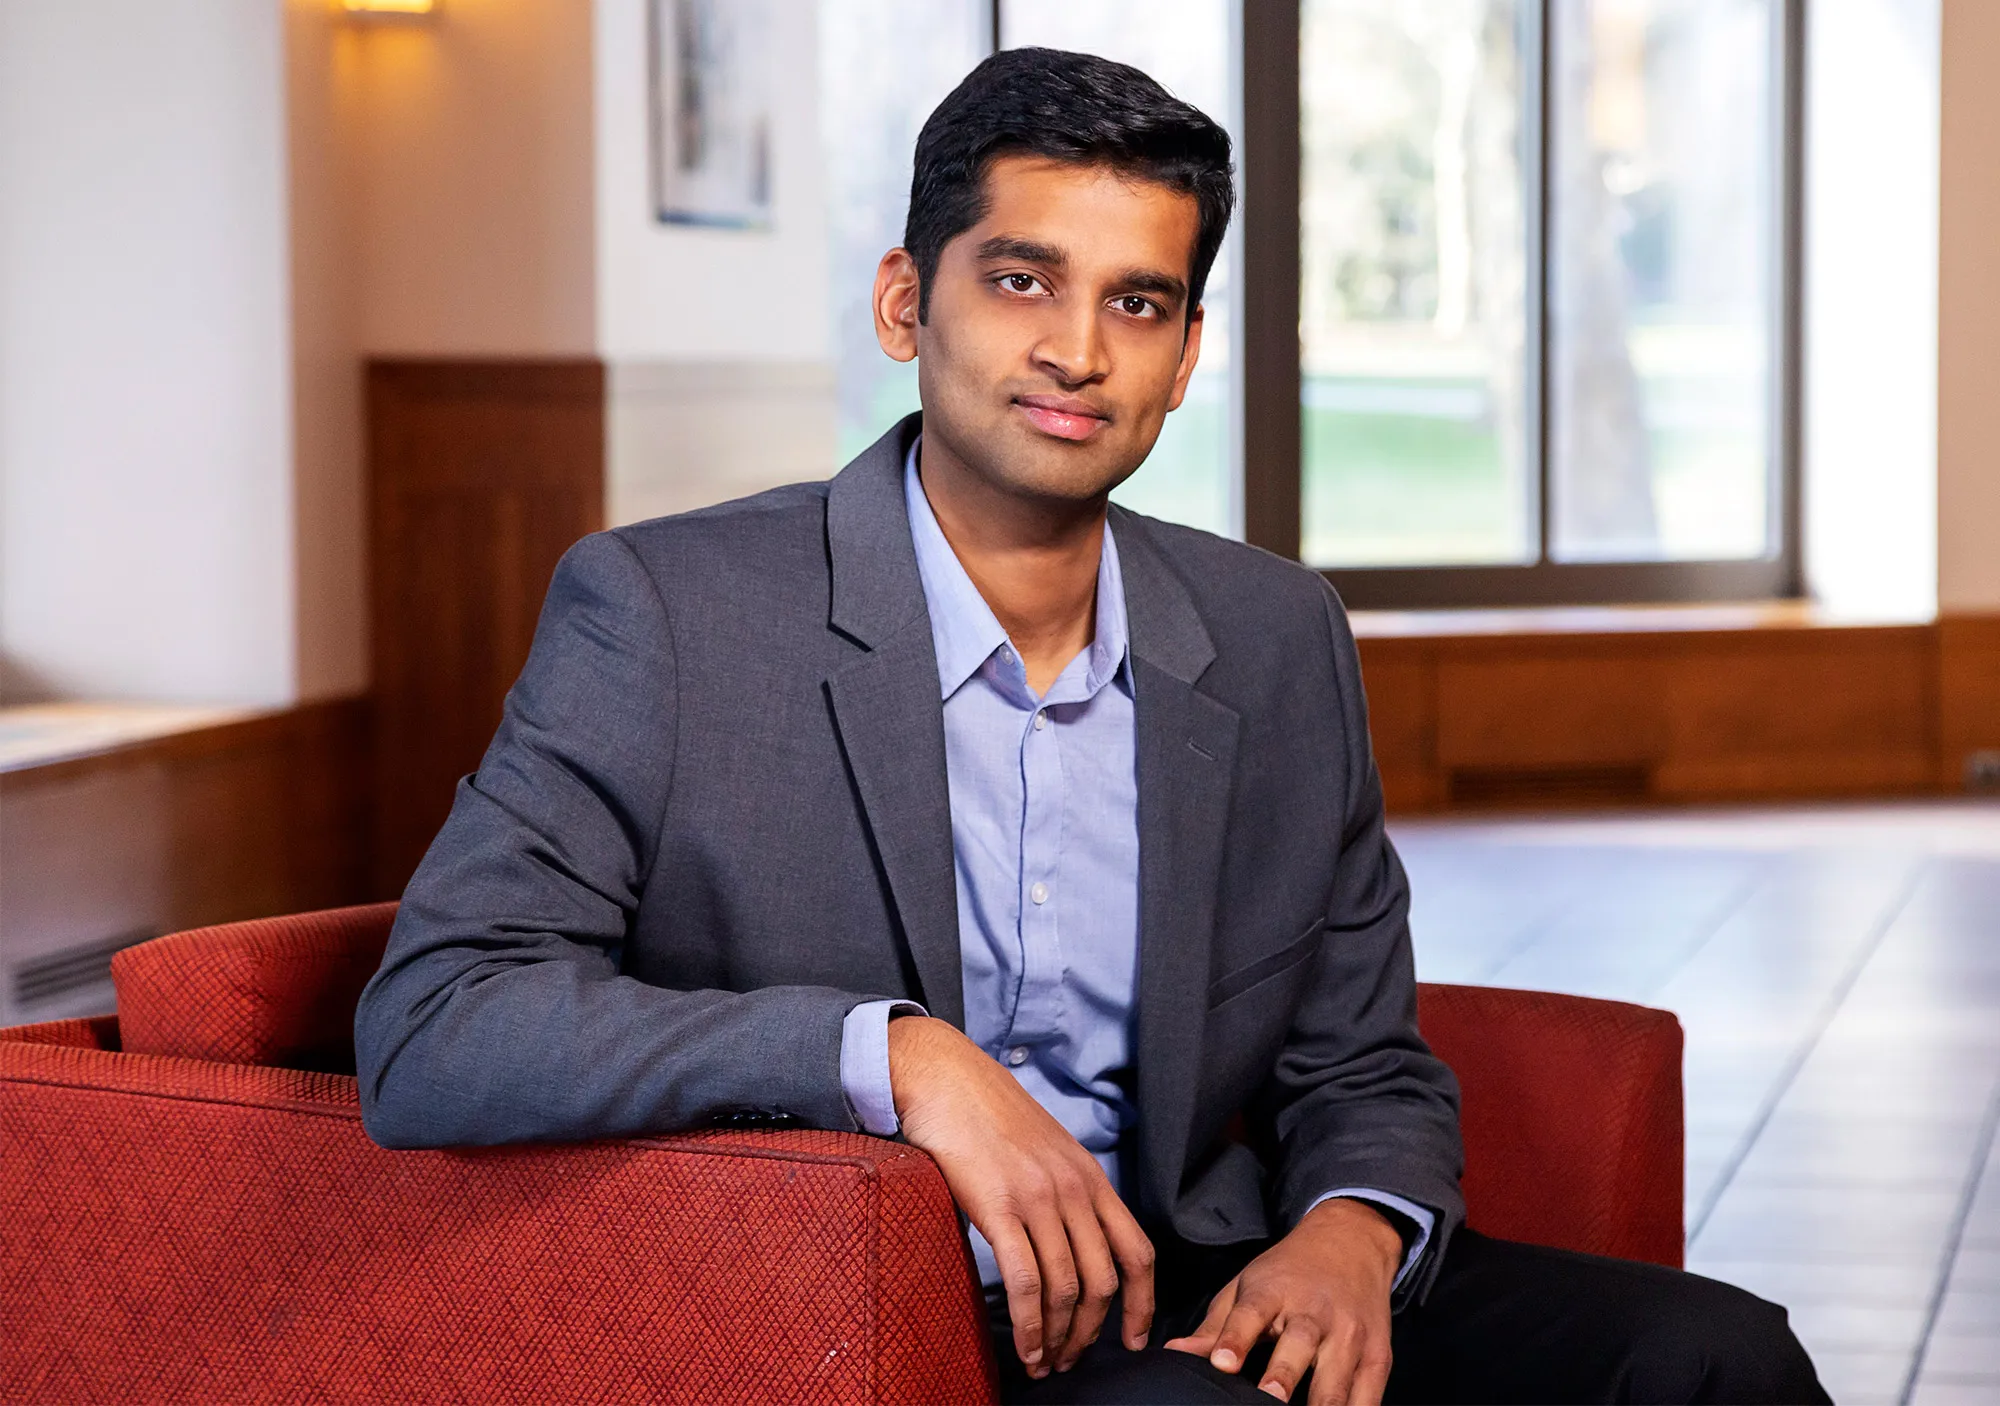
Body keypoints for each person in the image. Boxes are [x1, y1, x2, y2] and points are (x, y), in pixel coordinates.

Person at [354, 47, 1828, 1406]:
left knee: (1719, 1358)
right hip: (878, 1315)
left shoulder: (1275, 636)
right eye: (1020, 280)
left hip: (1210, 1278)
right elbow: (434, 1025)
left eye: (1139, 302)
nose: (1078, 350)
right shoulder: (667, 614)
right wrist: (898, 1056)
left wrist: (1353, 1231)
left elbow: (1361, 1059)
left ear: (1187, 356)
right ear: (902, 302)